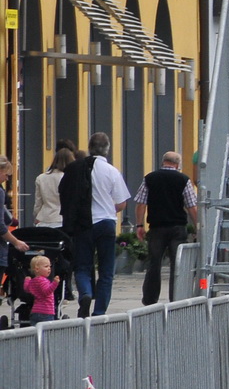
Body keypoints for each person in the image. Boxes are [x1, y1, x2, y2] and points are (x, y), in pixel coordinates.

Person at [62, 134, 129, 318]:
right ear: (107, 149)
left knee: (82, 266)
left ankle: (85, 293)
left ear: (89, 147)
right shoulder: (111, 171)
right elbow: (122, 202)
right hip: (106, 223)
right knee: (106, 271)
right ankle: (99, 312)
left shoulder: (75, 169)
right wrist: (108, 208)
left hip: (83, 223)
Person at [133, 149, 197, 306]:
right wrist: (198, 227)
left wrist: (140, 225)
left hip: (156, 228)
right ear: (177, 164)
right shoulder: (183, 180)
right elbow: (191, 206)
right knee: (177, 265)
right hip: (177, 228)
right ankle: (175, 298)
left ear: (163, 162)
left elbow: (141, 203)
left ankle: (149, 299)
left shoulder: (150, 178)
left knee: (154, 264)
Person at [34, 146, 76, 227]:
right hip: (63, 220)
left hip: (45, 219)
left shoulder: (41, 178)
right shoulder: (70, 178)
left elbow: (38, 203)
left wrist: (36, 215)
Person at [23, 255, 58, 325]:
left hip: (35, 311)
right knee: (46, 333)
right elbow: (46, 292)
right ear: (37, 269)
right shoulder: (43, 280)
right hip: (46, 311)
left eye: (50, 266)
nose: (49, 269)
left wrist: (27, 280)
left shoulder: (33, 281)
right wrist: (55, 283)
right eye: (46, 266)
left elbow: (26, 289)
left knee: (36, 331)